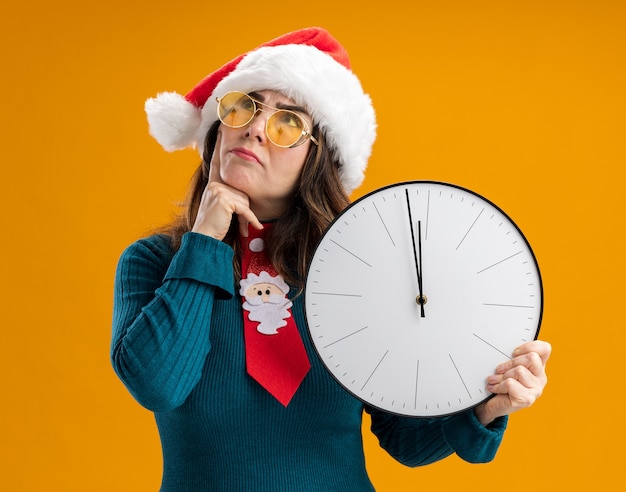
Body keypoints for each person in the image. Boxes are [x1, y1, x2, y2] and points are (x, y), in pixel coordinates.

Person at [111, 27, 551, 491]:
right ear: (217, 127)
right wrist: (204, 238)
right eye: (243, 104)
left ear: (318, 159)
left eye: (287, 123)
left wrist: (488, 406)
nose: (256, 127)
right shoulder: (154, 261)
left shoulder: (358, 271)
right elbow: (157, 385)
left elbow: (403, 437)